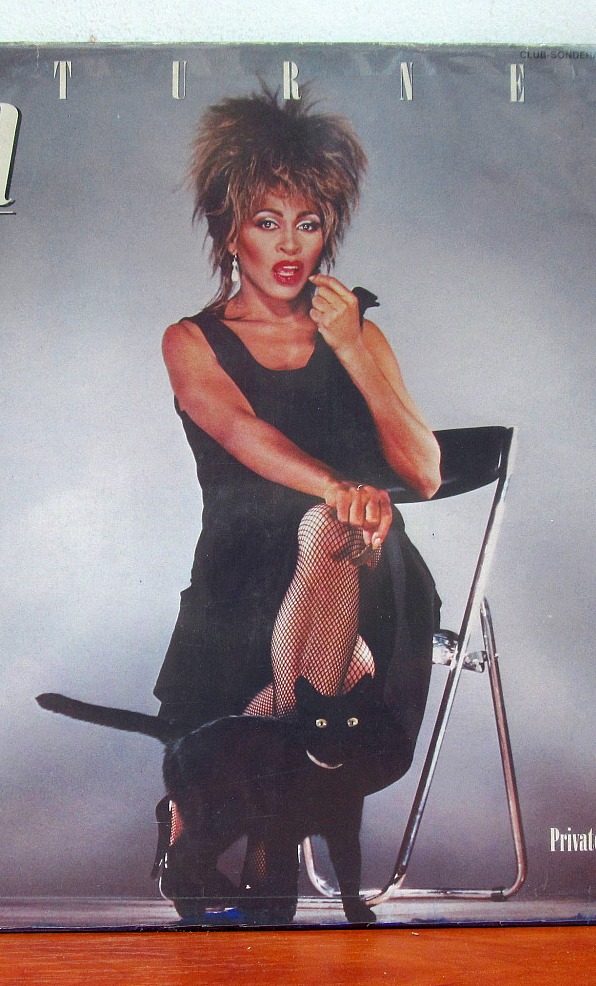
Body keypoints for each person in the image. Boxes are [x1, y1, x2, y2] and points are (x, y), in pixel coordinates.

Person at [152, 91, 443, 887]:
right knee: (325, 520)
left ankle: (225, 829)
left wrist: (352, 350)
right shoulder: (193, 342)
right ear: (230, 230)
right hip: (244, 583)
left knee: (330, 531)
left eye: (308, 223)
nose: (289, 245)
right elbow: (244, 434)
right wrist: (341, 489)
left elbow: (424, 472)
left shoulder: (358, 331)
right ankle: (269, 841)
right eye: (267, 221)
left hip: (373, 582)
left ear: (328, 230)